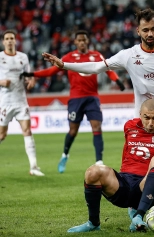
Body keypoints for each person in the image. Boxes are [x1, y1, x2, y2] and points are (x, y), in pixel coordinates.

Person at [41, 8, 154, 212]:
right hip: (144, 121)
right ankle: (139, 202)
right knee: (143, 168)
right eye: (145, 30)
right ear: (138, 30)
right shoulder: (128, 55)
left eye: (153, 29)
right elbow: (96, 68)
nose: (150, 34)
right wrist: (64, 65)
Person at [67, 99, 154, 233]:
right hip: (124, 185)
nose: (150, 123)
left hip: (148, 188)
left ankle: (139, 215)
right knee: (93, 172)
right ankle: (93, 223)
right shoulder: (129, 126)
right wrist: (122, 174)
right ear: (140, 115)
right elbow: (126, 153)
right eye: (146, 118)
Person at [21, 30, 125, 173]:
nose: (82, 42)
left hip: (92, 97)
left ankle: (99, 161)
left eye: (84, 40)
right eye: (79, 40)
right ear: (75, 42)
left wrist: (117, 80)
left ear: (87, 41)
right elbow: (52, 71)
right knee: (73, 130)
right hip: (76, 99)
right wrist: (33, 74)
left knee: (97, 127)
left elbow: (108, 69)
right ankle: (65, 155)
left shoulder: (96, 56)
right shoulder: (69, 57)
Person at [0, 30, 44, 176]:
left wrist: (31, 81)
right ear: (3, 42)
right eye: (7, 38)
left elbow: (28, 75)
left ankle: (33, 167)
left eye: (12, 38)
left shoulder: (23, 57)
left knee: (27, 131)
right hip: (5, 102)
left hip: (20, 101)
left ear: (16, 40)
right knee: (2, 135)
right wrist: (1, 82)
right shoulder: (0, 57)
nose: (10, 41)